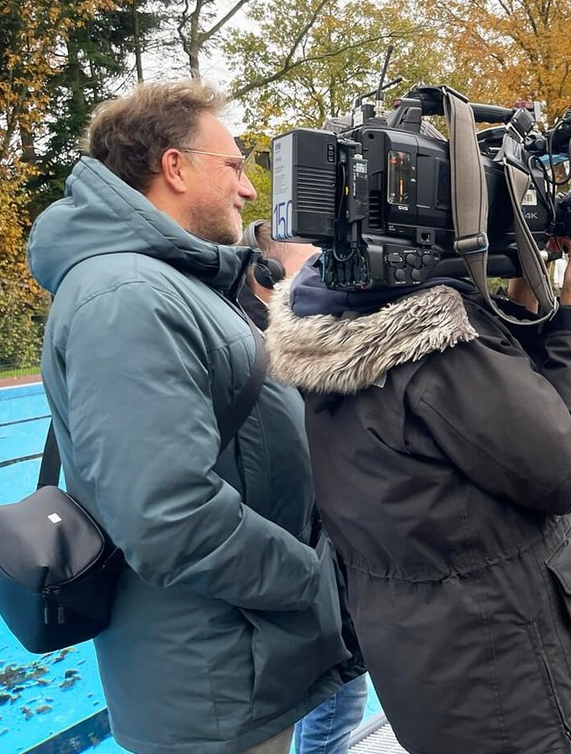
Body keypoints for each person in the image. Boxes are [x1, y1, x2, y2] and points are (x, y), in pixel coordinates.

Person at [26, 81, 351, 754]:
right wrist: (312, 582)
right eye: (233, 166)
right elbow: (166, 513)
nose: (248, 190)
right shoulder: (126, 297)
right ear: (174, 167)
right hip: (211, 685)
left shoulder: (167, 283)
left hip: (239, 661)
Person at [263, 214, 571, 754]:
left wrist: (520, 295)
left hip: (433, 670)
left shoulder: (344, 316)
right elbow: (566, 472)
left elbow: (505, 415)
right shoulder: (439, 349)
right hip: (507, 683)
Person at [237, 220, 370, 754]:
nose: (325, 278)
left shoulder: (289, 337)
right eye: (312, 265)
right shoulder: (258, 351)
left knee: (340, 706)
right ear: (266, 276)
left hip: (324, 574)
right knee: (332, 716)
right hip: (303, 580)